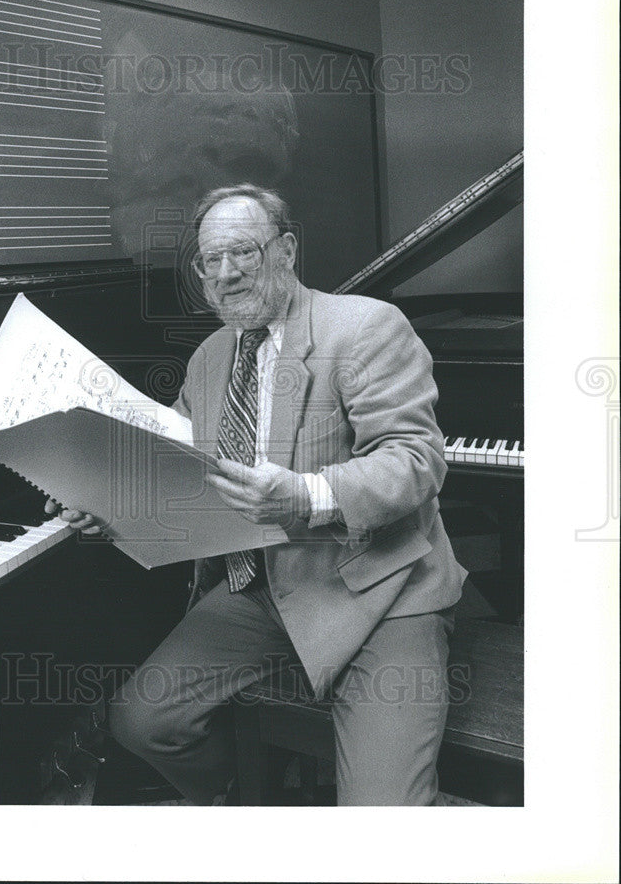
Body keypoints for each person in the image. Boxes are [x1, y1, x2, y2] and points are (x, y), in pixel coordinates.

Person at [48, 184, 467, 805]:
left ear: (286, 250)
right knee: (142, 724)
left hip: (380, 590)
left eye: (242, 252)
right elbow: (167, 469)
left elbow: (416, 460)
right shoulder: (209, 358)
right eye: (209, 261)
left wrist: (306, 494)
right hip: (262, 592)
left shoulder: (365, 327)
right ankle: (249, 804)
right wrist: (100, 503)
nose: (225, 273)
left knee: (383, 822)